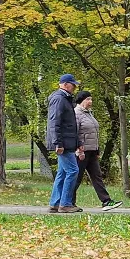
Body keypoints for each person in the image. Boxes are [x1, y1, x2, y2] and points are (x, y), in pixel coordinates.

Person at [72, 91, 122, 210]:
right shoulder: (76, 114)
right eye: (88, 99)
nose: (91, 102)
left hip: (92, 151)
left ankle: (106, 201)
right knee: (76, 178)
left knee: (97, 176)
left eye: (91, 99)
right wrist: (79, 149)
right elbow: (75, 133)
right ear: (81, 100)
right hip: (82, 151)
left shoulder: (89, 114)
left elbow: (94, 133)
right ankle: (68, 202)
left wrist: (97, 149)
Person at [47, 73, 84, 214]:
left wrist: (78, 142)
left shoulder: (65, 99)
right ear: (66, 84)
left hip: (68, 142)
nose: (74, 87)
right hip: (63, 143)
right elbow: (54, 122)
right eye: (73, 84)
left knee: (62, 173)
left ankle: (55, 203)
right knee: (73, 170)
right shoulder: (59, 99)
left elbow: (70, 125)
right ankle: (65, 204)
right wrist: (58, 143)